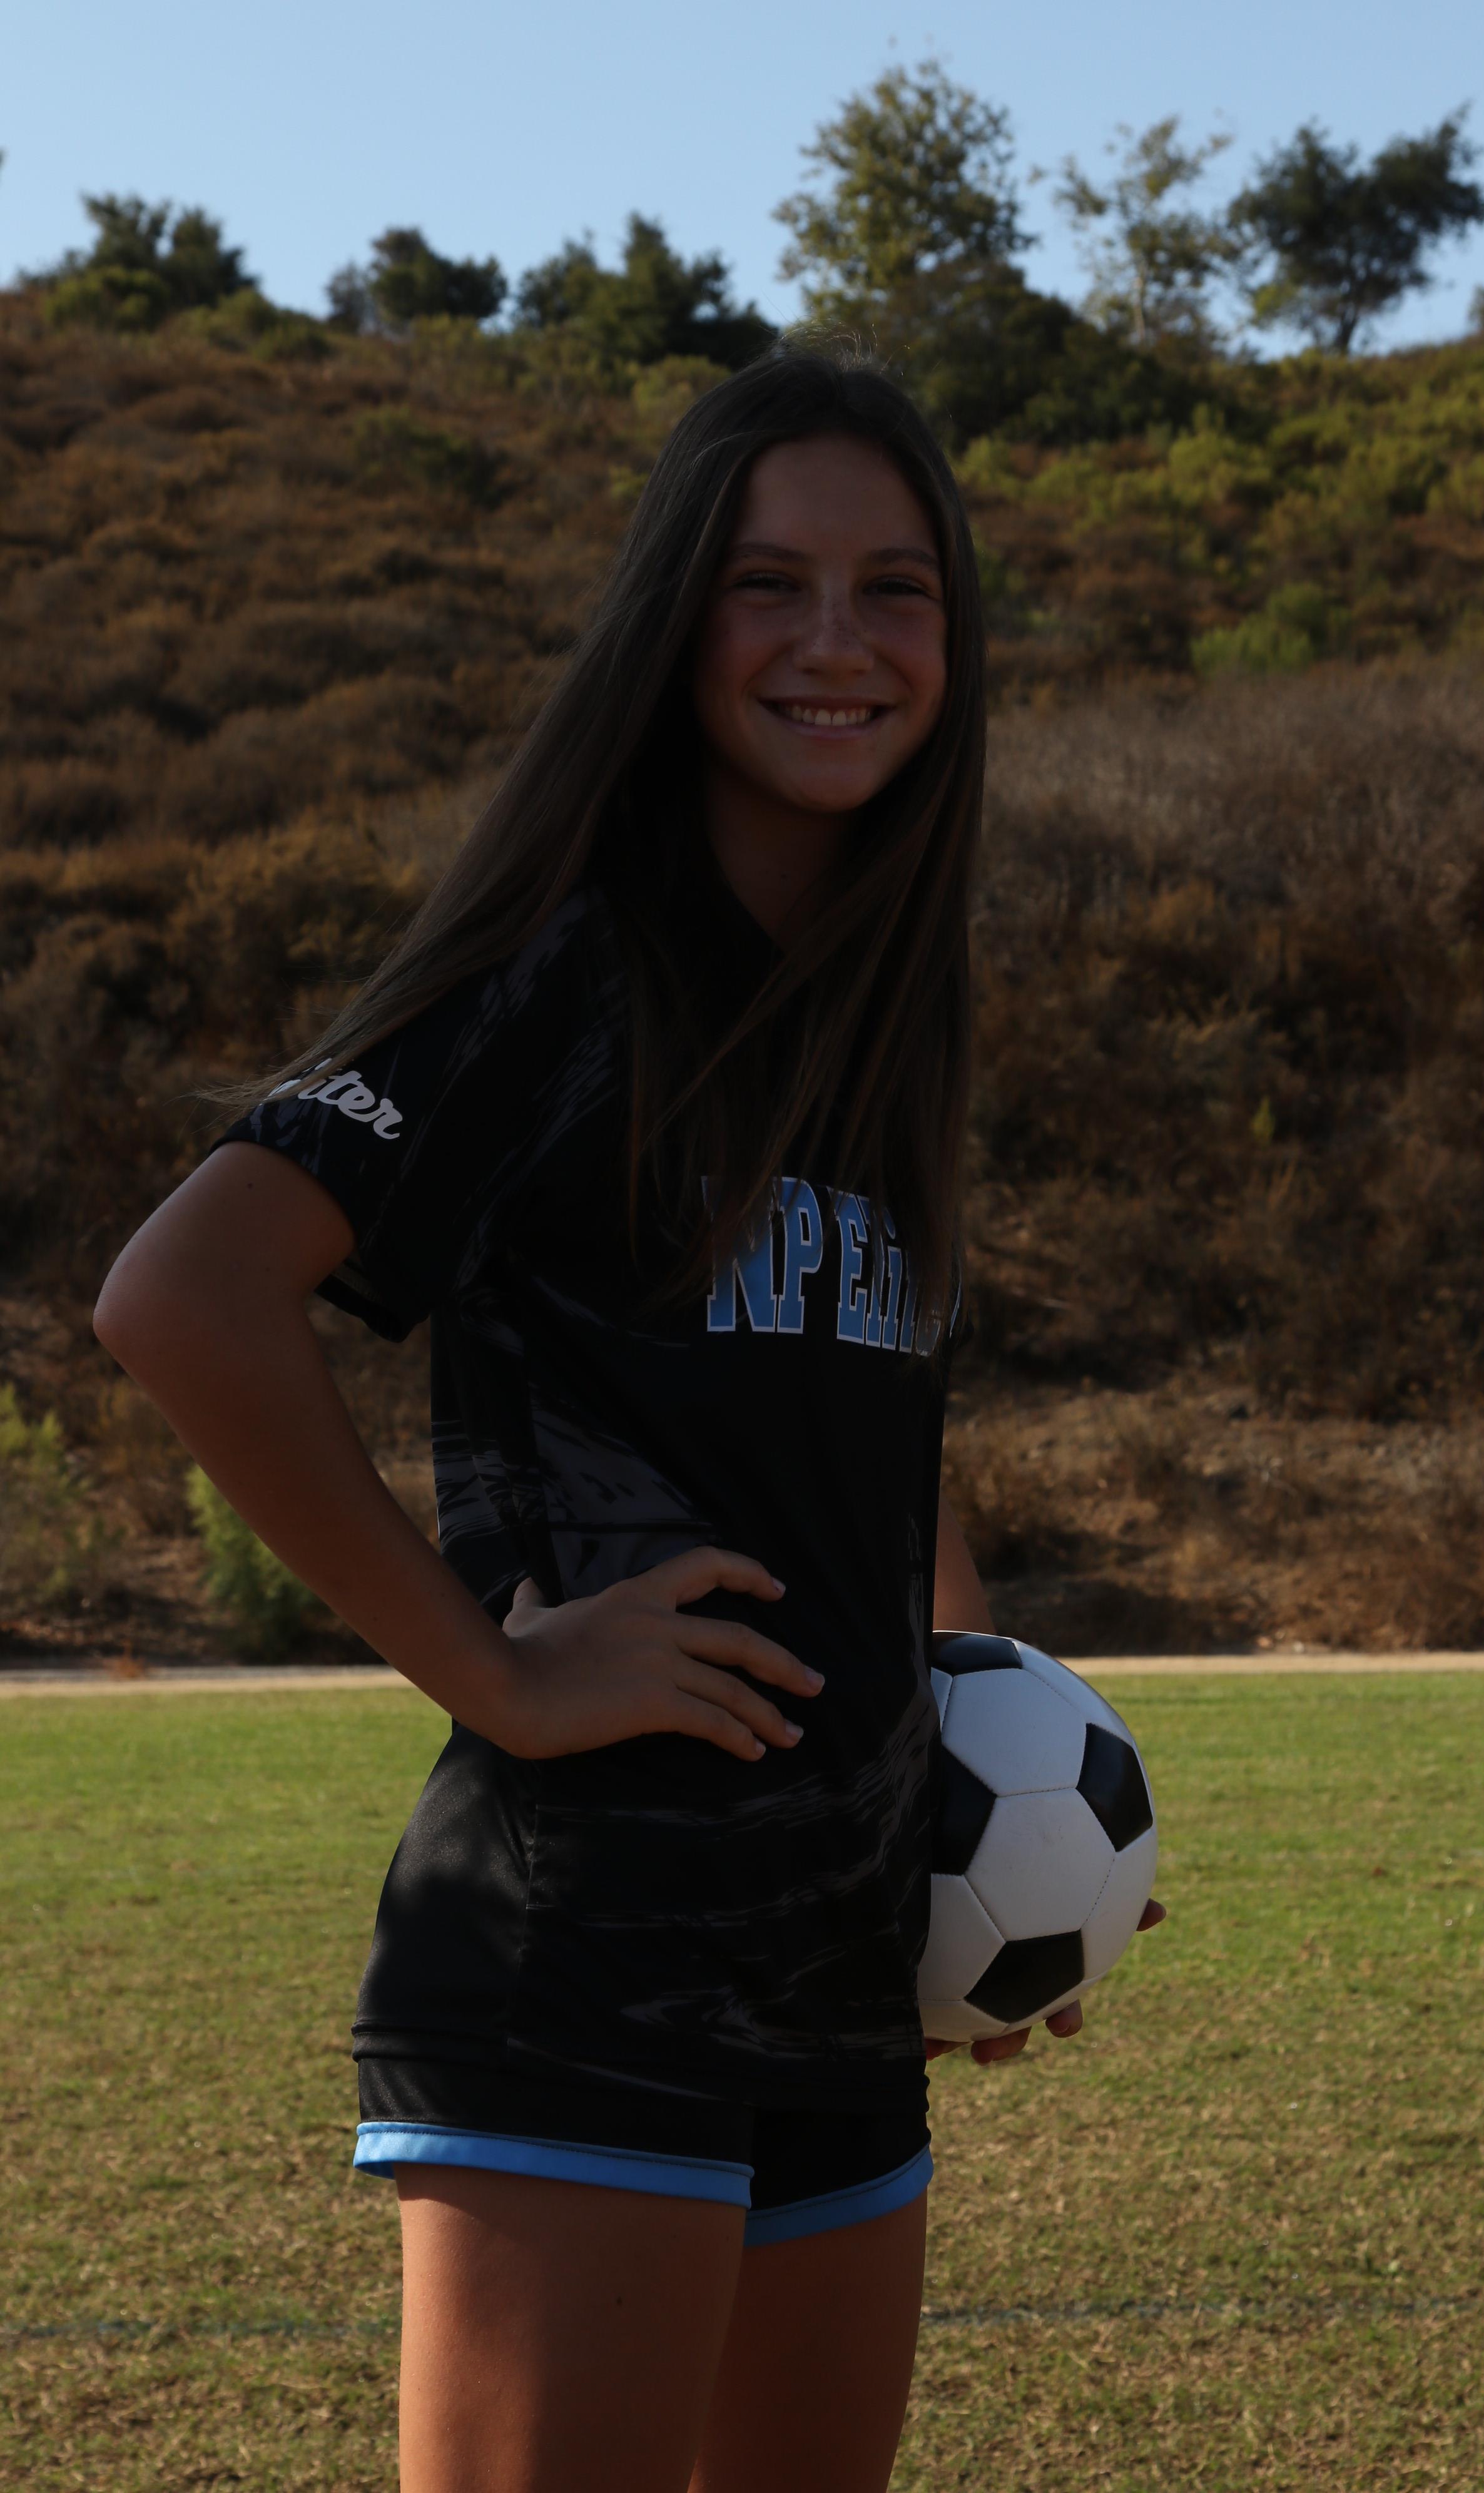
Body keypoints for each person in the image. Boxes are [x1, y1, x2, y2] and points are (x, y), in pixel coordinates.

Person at [94, 351, 1161, 2493]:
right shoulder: (565, 969)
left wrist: (994, 1824)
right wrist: (491, 1667)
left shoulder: (880, 1007)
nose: (839, 641)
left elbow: (875, 1450)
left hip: (837, 1980)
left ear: (956, 636)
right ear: (677, 621)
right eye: (772, 584)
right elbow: (186, 1297)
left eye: (896, 588)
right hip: (583, 1963)